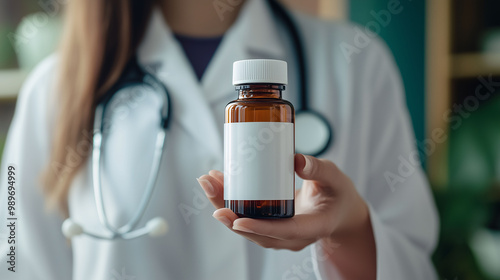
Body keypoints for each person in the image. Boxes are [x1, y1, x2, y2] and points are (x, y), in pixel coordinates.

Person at [0, 0, 438, 279]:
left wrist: (350, 228)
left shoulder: (356, 62)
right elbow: (15, 259)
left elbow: (414, 266)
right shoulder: (54, 88)